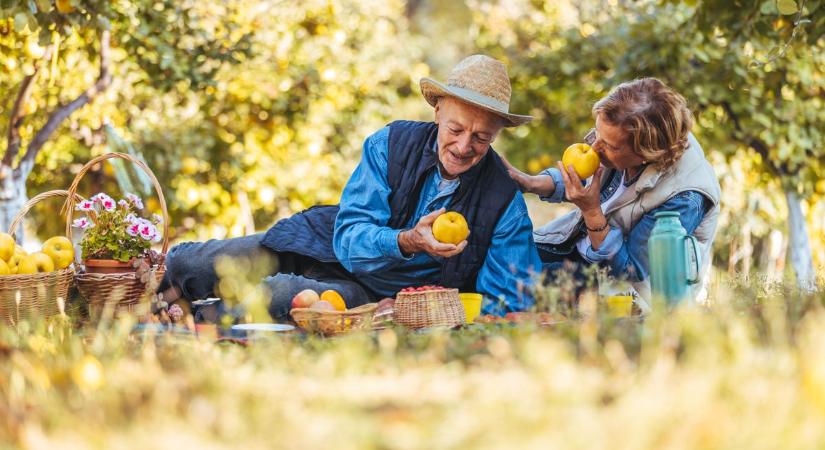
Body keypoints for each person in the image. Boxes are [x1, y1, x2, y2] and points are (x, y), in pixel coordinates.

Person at [153, 55, 542, 320]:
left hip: (371, 296)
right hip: (318, 244)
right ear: (437, 110)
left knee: (279, 295)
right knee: (192, 264)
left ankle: (188, 320)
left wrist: (410, 312)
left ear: (497, 134)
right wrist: (407, 241)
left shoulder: (502, 199)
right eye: (456, 129)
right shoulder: (389, 144)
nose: (464, 146)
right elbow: (351, 239)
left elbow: (510, 300)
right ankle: (138, 294)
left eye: (481, 137)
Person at [504, 78, 721, 308]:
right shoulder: (620, 148)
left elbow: (631, 271)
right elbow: (584, 178)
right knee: (501, 257)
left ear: (646, 153)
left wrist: (591, 211)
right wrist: (530, 182)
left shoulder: (684, 196)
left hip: (627, 291)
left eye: (610, 146)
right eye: (597, 134)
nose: (595, 148)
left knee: (512, 281)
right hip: (577, 252)